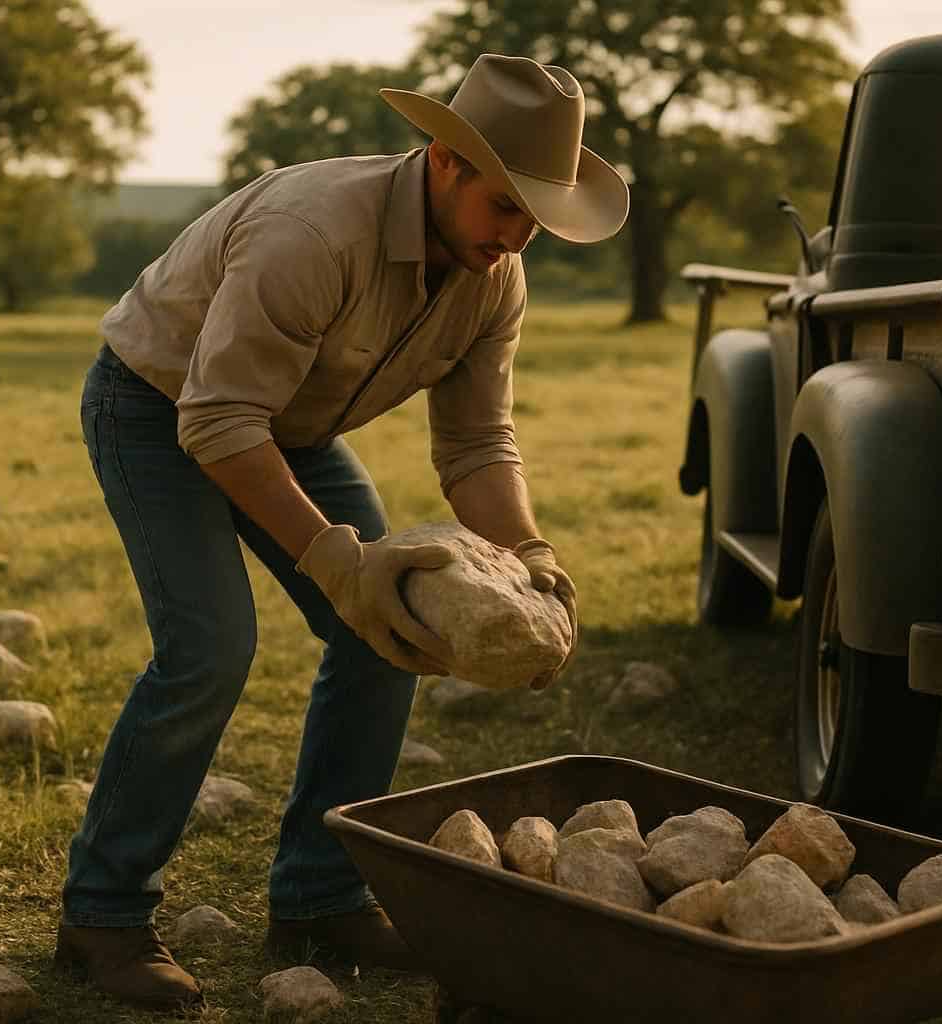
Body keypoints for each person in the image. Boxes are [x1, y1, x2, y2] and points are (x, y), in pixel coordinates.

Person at [53, 52, 629, 1010]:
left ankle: (318, 896)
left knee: (388, 632)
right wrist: (335, 560)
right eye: (504, 204)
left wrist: (531, 555)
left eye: (536, 215)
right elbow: (217, 420)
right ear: (444, 160)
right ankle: (102, 912)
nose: (517, 234)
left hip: (287, 429)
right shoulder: (311, 232)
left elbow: (479, 440)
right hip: (159, 408)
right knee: (210, 649)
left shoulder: (496, 275)